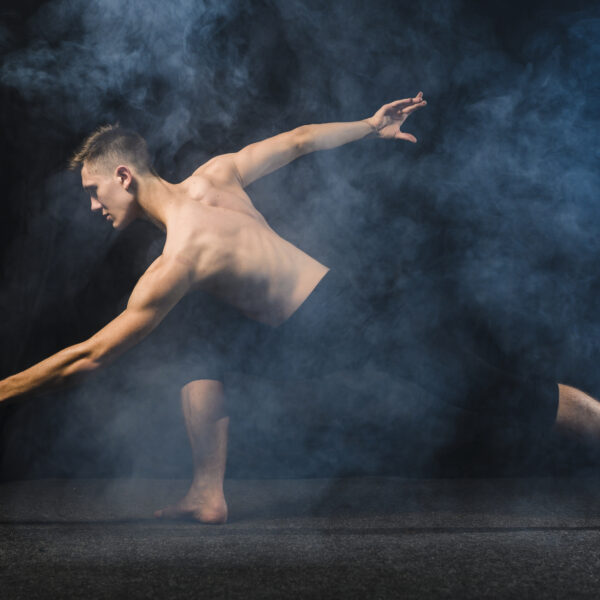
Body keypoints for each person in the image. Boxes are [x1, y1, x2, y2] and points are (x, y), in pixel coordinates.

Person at [0, 92, 598, 524]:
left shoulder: (179, 260)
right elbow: (301, 139)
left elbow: (92, 355)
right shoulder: (214, 177)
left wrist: (6, 389)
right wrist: (368, 126)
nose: (92, 205)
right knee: (202, 353)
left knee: (494, 395)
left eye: (93, 191)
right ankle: (207, 494)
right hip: (319, 315)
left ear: (123, 176)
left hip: (348, 324)